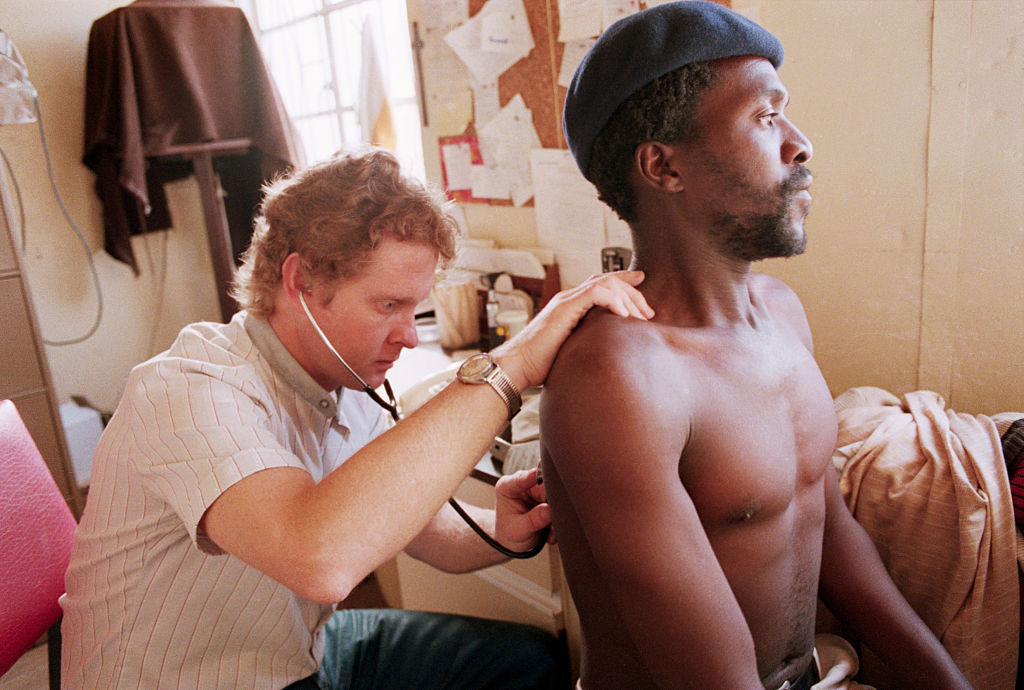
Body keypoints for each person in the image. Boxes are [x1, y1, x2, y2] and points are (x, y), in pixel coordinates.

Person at [60, 147, 654, 689]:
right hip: (189, 681)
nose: (404, 335)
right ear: (300, 280)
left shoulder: (346, 381)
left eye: (414, 307)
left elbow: (420, 530)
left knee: (528, 664)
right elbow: (319, 559)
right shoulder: (188, 389)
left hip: (303, 653)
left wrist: (501, 530)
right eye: (388, 305)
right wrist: (514, 363)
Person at [540, 3, 971, 689]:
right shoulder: (618, 375)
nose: (800, 145)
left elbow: (823, 520)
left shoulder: (780, 313)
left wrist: (949, 682)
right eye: (765, 118)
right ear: (663, 166)